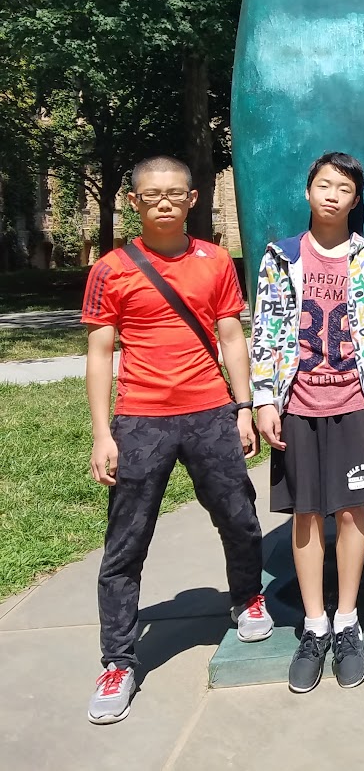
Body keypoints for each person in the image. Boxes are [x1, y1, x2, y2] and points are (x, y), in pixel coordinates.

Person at [82, 156, 272, 725]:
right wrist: (101, 434)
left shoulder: (215, 262)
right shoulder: (111, 269)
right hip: (140, 420)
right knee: (125, 544)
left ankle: (246, 597)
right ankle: (118, 659)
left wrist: (243, 407)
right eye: (151, 195)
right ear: (134, 203)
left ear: (193, 200)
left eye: (174, 194)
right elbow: (98, 354)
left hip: (212, 411)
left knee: (239, 517)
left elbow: (232, 335)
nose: (163, 202)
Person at [251, 151, 364, 693]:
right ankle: (314, 626)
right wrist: (265, 398)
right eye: (324, 184)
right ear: (308, 191)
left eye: (344, 189)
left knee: (354, 512)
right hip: (298, 406)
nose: (333, 194)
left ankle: (346, 622)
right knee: (307, 514)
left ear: (355, 201)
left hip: (354, 404)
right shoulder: (281, 257)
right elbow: (264, 326)